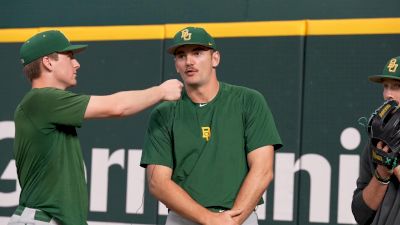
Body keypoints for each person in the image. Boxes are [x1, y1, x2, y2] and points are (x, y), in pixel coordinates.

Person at [8, 30, 183, 225]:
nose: (77, 64)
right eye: (70, 57)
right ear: (48, 62)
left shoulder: (45, 104)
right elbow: (117, 107)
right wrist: (161, 91)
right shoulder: (41, 99)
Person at [140, 26, 282, 225]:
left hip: (238, 218)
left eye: (197, 53)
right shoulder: (164, 113)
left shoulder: (249, 101)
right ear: (176, 65)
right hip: (183, 219)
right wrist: (209, 219)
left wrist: (231, 221)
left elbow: (263, 169)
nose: (189, 61)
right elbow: (158, 182)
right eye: (181, 56)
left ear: (215, 58)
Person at [352, 56, 400, 225]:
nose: (388, 94)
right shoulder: (378, 141)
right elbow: (360, 213)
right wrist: (382, 172)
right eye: (385, 86)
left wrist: (395, 164)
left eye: (397, 87)